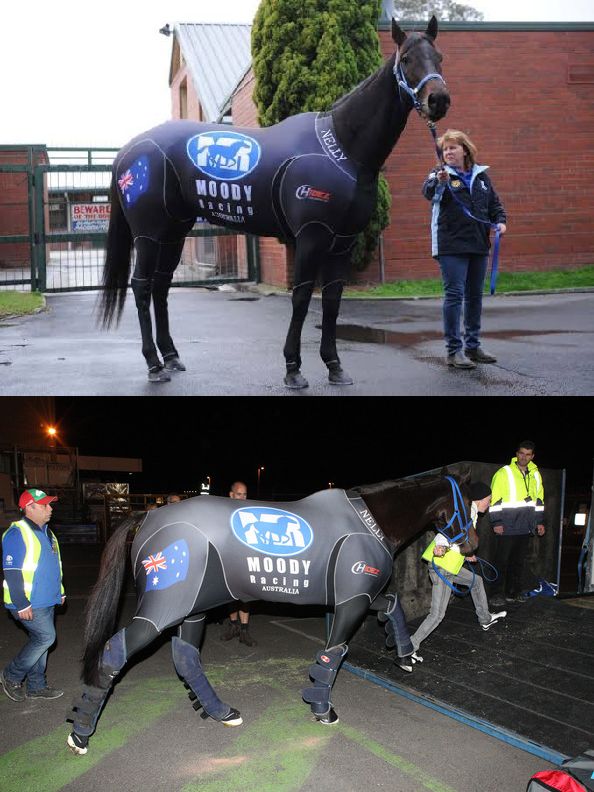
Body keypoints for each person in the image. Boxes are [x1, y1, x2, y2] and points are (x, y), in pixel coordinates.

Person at [422, 129, 507, 369]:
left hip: (478, 244)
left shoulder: (481, 176)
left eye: (453, 147)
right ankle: (454, 350)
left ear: (465, 150)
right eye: (445, 149)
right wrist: (439, 182)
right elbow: (429, 193)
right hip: (451, 245)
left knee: (474, 296)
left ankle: (473, 346)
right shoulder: (439, 174)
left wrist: (501, 222)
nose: (448, 152)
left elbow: (495, 205)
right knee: (454, 295)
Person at [409, 481, 506, 658]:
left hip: (450, 566)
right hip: (442, 566)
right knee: (437, 615)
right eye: (489, 499)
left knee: (476, 581)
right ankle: (410, 647)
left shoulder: (472, 513)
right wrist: (440, 547)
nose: (490, 503)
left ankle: (485, 618)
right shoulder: (467, 513)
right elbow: (446, 531)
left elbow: (459, 539)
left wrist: (467, 554)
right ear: (480, 499)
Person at [1, 489, 65, 701]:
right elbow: (12, 572)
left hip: (46, 600)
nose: (50, 508)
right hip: (28, 602)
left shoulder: (48, 532)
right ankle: (11, 675)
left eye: (50, 504)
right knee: (46, 637)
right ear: (30, 507)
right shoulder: (17, 533)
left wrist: (60, 591)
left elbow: (54, 566)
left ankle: (36, 686)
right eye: (45, 505)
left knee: (41, 642)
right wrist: (21, 604)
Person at [488, 441, 546, 607]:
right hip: (506, 526)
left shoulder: (536, 475)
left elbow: (539, 502)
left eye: (528, 454)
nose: (524, 457)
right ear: (516, 454)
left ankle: (513, 592)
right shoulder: (504, 472)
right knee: (501, 562)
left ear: (532, 456)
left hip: (525, 527)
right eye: (521, 453)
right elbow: (495, 500)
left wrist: (539, 522)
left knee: (518, 563)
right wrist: (497, 522)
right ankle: (495, 594)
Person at [220, 480, 257, 647]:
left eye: (245, 494)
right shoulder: (224, 512)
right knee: (231, 594)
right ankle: (233, 625)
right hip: (229, 558)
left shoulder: (249, 513)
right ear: (231, 495)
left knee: (246, 595)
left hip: (245, 558)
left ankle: (244, 630)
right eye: (239, 494)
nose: (242, 498)